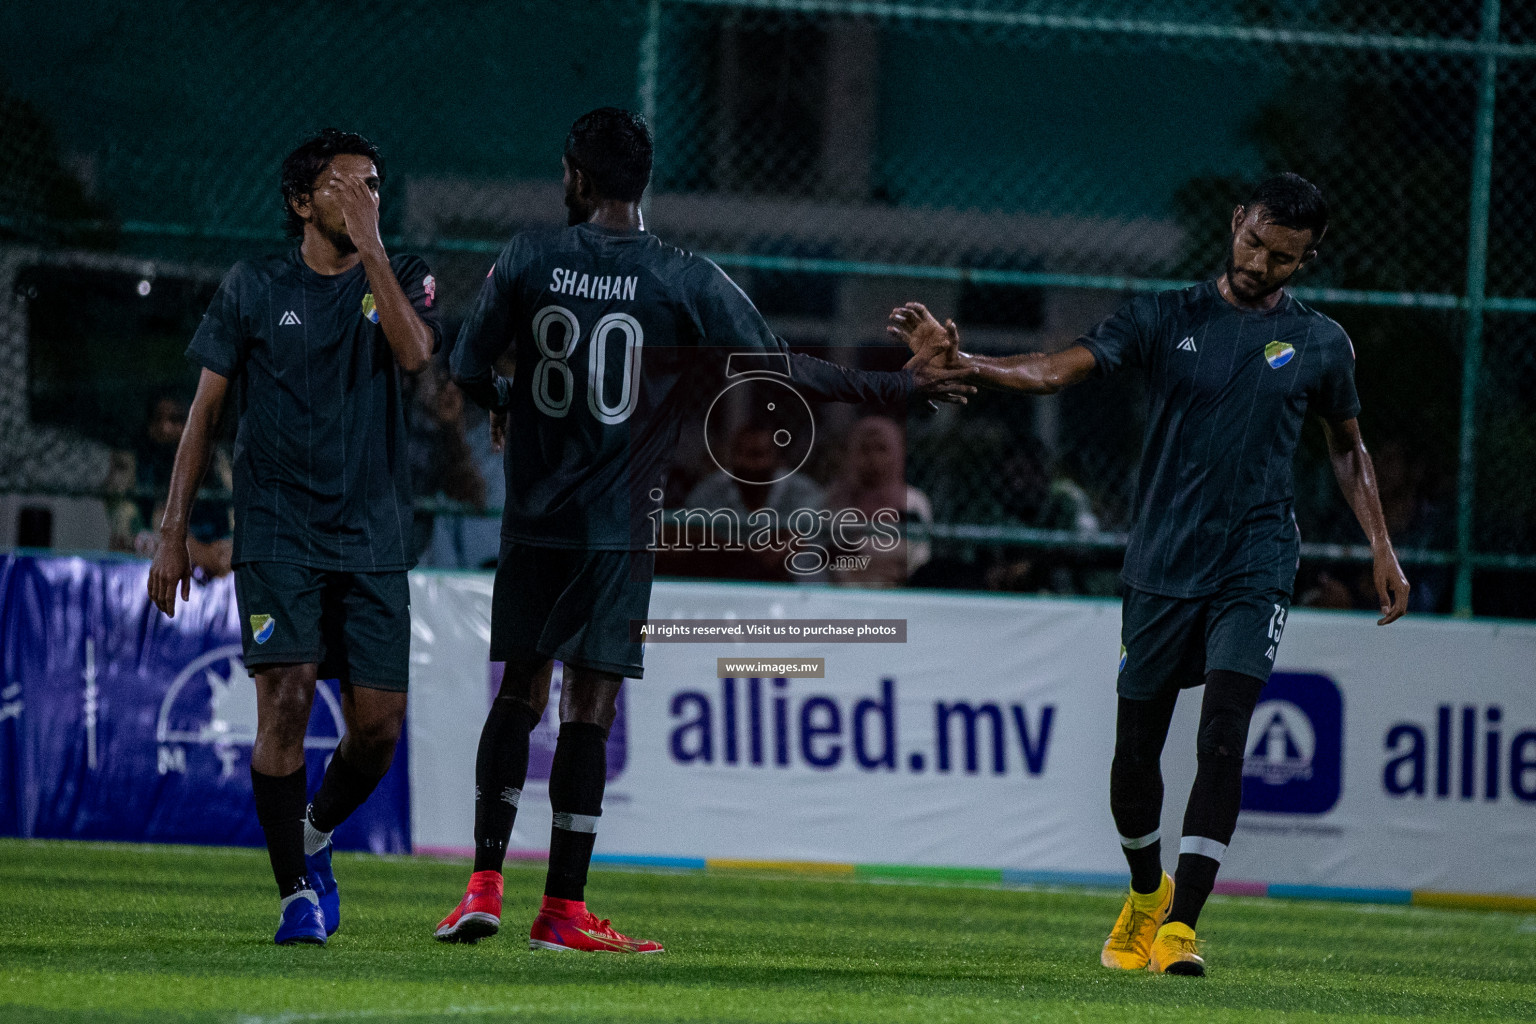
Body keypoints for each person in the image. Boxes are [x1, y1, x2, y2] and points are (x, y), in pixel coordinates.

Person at [440, 107, 971, 953]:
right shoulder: (683, 276)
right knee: (589, 704)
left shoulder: (527, 255)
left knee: (519, 691)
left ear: (575, 176)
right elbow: (782, 366)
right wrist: (900, 389)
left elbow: (466, 363)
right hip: (617, 527)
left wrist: (505, 406)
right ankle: (563, 910)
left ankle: (482, 886)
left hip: (535, 519)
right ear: (642, 183)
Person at [890, 173, 1409, 976]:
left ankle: (1183, 928)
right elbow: (1059, 369)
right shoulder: (1164, 317)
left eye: (1282, 258)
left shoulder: (1320, 343)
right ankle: (1144, 893)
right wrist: (973, 364)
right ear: (1238, 222)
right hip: (1163, 562)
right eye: (1254, 242)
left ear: (1307, 260)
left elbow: (1348, 445)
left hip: (1257, 558)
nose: (1260, 263)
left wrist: (1381, 545)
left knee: (1226, 735)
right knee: (1136, 757)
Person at [147, 128, 441, 946]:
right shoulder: (252, 286)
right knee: (282, 701)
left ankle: (314, 833)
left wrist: (375, 248)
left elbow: (416, 357)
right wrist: (176, 530)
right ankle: (293, 897)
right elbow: (204, 413)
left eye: (374, 186)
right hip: (277, 531)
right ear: (300, 202)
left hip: (374, 535)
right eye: (345, 187)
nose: (364, 199)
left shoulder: (404, 275)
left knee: (378, 729)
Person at [678, 422, 827, 581]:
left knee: (807, 561)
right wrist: (746, 552)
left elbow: (806, 537)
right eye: (739, 453)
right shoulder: (712, 488)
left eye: (756, 455)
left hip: (784, 577)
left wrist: (751, 554)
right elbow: (686, 532)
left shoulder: (800, 489)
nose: (747, 463)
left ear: (775, 459)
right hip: (725, 576)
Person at [823, 415, 932, 586]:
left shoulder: (913, 501)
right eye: (865, 449)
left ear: (897, 452)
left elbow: (920, 558)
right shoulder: (835, 499)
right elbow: (827, 557)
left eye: (882, 449)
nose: (874, 459)